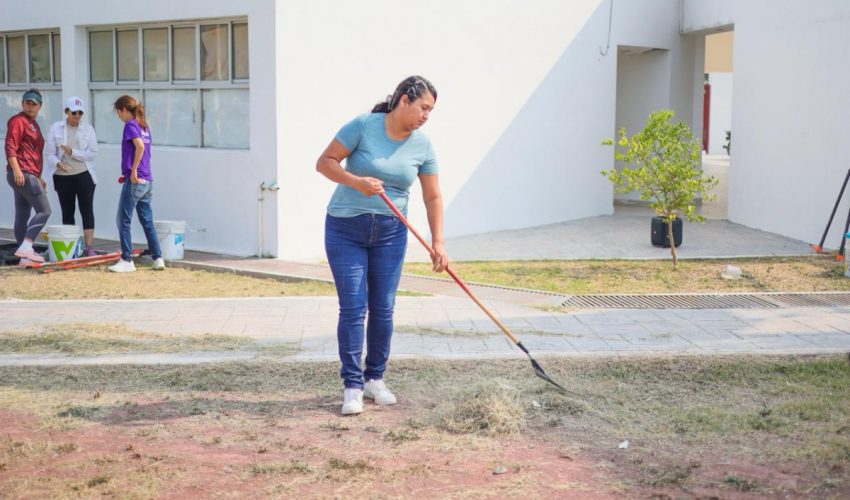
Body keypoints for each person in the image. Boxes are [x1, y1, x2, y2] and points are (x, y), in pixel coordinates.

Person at [316, 76, 449, 415]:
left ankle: (375, 378)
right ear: (404, 99)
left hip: (391, 233)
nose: (426, 116)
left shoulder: (423, 145)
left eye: (430, 111)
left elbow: (432, 196)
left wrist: (438, 242)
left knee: (384, 308)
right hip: (346, 227)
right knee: (353, 308)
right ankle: (352, 386)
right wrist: (356, 182)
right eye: (423, 108)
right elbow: (325, 162)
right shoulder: (363, 125)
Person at [108, 95, 165, 273]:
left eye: (119, 113)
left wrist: (133, 170)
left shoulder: (130, 125)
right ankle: (158, 258)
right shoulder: (144, 126)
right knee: (147, 221)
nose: (119, 117)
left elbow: (139, 147)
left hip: (135, 180)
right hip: (148, 180)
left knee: (123, 220)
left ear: (125, 109)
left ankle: (127, 259)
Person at [45, 96, 99, 257]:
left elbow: (93, 154)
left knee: (86, 210)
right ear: (66, 112)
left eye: (80, 113)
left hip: (84, 175)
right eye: (74, 112)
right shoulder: (56, 128)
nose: (77, 116)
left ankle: (89, 247)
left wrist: (72, 152)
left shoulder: (88, 129)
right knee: (67, 211)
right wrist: (57, 163)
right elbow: (49, 153)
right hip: (62, 176)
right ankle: (72, 246)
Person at [5, 89, 50, 264]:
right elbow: (10, 146)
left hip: (29, 174)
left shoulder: (34, 124)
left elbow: (35, 153)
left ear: (40, 106)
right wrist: (17, 170)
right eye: (28, 103)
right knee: (45, 210)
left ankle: (24, 256)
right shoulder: (18, 121)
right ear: (22, 104)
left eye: (34, 104)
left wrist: (39, 176)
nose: (31, 107)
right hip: (22, 173)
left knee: (23, 214)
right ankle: (26, 245)